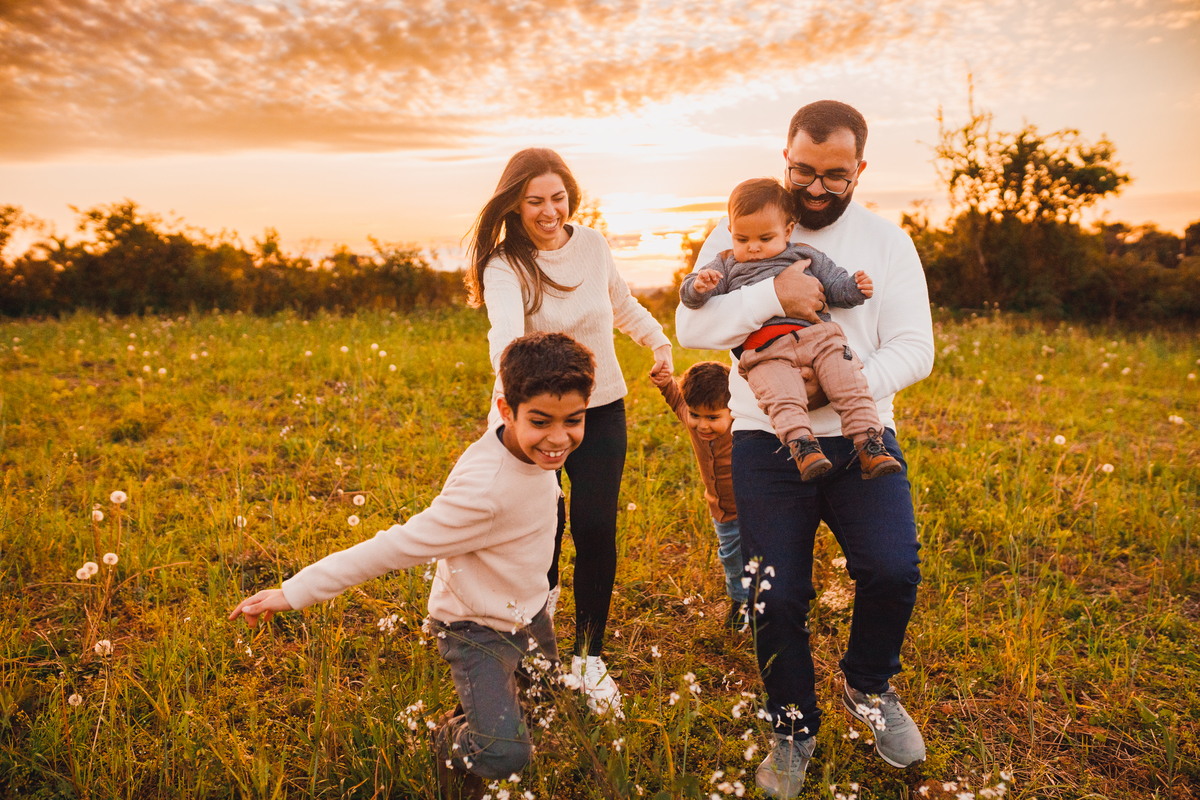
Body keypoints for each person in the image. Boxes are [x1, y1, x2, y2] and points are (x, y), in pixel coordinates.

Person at [675, 100, 935, 797]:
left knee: (892, 569)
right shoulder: (740, 228)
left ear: (860, 170)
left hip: (860, 433)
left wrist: (840, 390)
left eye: (834, 175)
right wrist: (773, 295)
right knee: (774, 592)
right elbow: (690, 327)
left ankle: (868, 685)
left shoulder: (887, 242)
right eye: (803, 170)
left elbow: (917, 347)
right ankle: (792, 725)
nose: (816, 187)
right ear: (784, 157)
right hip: (766, 439)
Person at [229, 332, 596, 800]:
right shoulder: (483, 493)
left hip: (530, 612)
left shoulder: (528, 445)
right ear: (506, 411)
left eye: (574, 420)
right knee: (505, 753)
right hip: (477, 628)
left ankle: (485, 719)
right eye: (541, 421)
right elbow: (394, 547)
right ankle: (449, 741)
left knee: (545, 706)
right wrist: (294, 591)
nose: (559, 438)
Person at [464, 148, 673, 716]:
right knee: (542, 529)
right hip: (539, 419)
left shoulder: (594, 246)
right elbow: (506, 337)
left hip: (600, 409)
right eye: (534, 200)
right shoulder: (505, 265)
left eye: (557, 197)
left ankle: (588, 657)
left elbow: (621, 303)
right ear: (515, 205)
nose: (548, 210)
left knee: (596, 528)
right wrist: (511, 410)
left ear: (570, 196)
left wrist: (658, 342)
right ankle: (538, 643)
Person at [679, 177, 901, 481]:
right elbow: (694, 301)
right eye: (742, 239)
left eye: (765, 238)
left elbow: (835, 286)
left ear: (787, 230)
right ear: (730, 231)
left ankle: (869, 443)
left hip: (819, 338)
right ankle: (803, 447)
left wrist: (855, 288)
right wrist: (699, 286)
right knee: (781, 397)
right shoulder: (726, 264)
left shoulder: (804, 254)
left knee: (848, 381)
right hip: (766, 352)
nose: (753, 247)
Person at [648, 360, 746, 628]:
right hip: (722, 511)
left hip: (756, 509)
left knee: (763, 558)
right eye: (695, 415)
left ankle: (769, 604)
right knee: (732, 559)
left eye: (713, 418)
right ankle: (740, 604)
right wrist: (665, 382)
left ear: (733, 409)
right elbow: (675, 399)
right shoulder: (692, 418)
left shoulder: (744, 426)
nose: (702, 425)